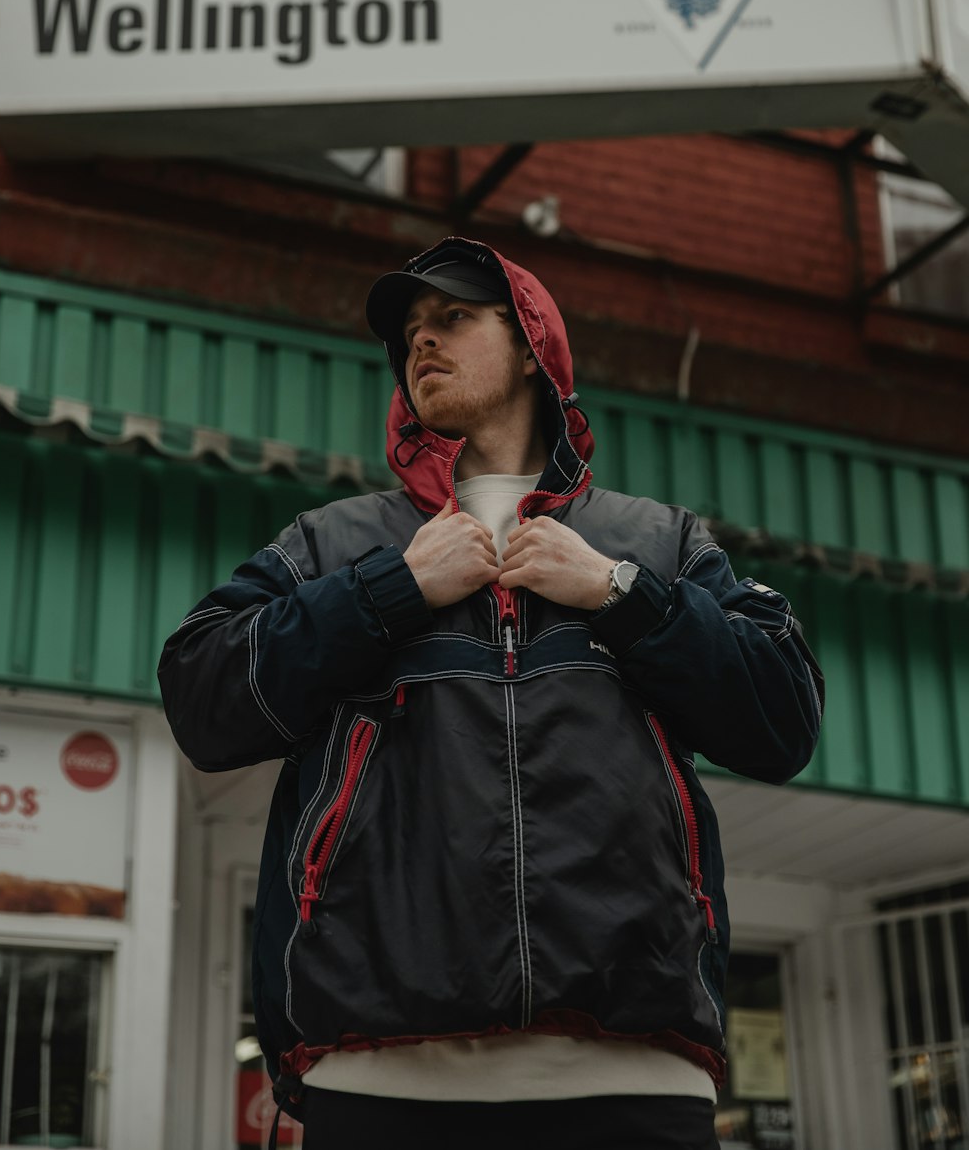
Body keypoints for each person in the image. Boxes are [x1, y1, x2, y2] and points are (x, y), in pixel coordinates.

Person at [158, 236, 824, 1150]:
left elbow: (783, 720)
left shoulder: (656, 544)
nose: (421, 342)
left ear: (533, 344)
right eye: (410, 334)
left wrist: (620, 594)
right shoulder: (336, 542)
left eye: (453, 319)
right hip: (379, 1075)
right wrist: (389, 591)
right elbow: (201, 697)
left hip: (633, 1074)